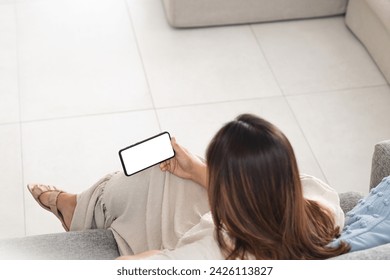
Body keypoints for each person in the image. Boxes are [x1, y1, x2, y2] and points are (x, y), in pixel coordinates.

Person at [28, 114, 350, 260]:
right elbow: (258, 194)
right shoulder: (320, 203)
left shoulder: (214, 249)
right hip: (238, 225)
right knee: (172, 169)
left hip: (184, 242)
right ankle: (80, 205)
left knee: (156, 177)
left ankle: (76, 208)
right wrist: (197, 170)